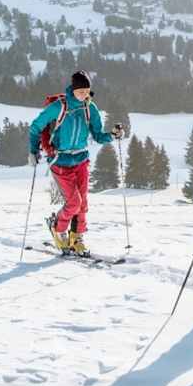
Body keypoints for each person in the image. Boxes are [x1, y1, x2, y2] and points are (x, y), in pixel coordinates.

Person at [29, 70, 120, 257]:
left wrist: (112, 135)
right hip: (60, 161)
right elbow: (36, 126)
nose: (84, 95)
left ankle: (76, 238)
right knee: (74, 202)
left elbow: (97, 135)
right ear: (73, 89)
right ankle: (57, 227)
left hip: (81, 160)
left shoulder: (90, 108)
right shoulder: (59, 106)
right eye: (81, 92)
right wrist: (33, 150)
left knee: (83, 203)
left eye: (87, 91)